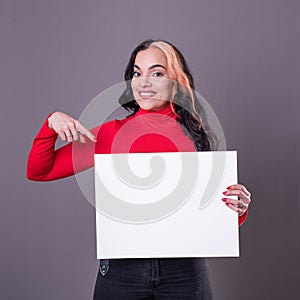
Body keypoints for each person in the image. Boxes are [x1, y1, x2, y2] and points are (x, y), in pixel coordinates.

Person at [26, 39, 251, 300]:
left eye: (157, 73)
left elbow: (207, 214)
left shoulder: (197, 135)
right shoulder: (111, 134)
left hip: (184, 272)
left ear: (176, 81)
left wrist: (237, 209)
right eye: (137, 73)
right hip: (124, 272)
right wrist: (51, 124)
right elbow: (40, 171)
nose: (144, 82)